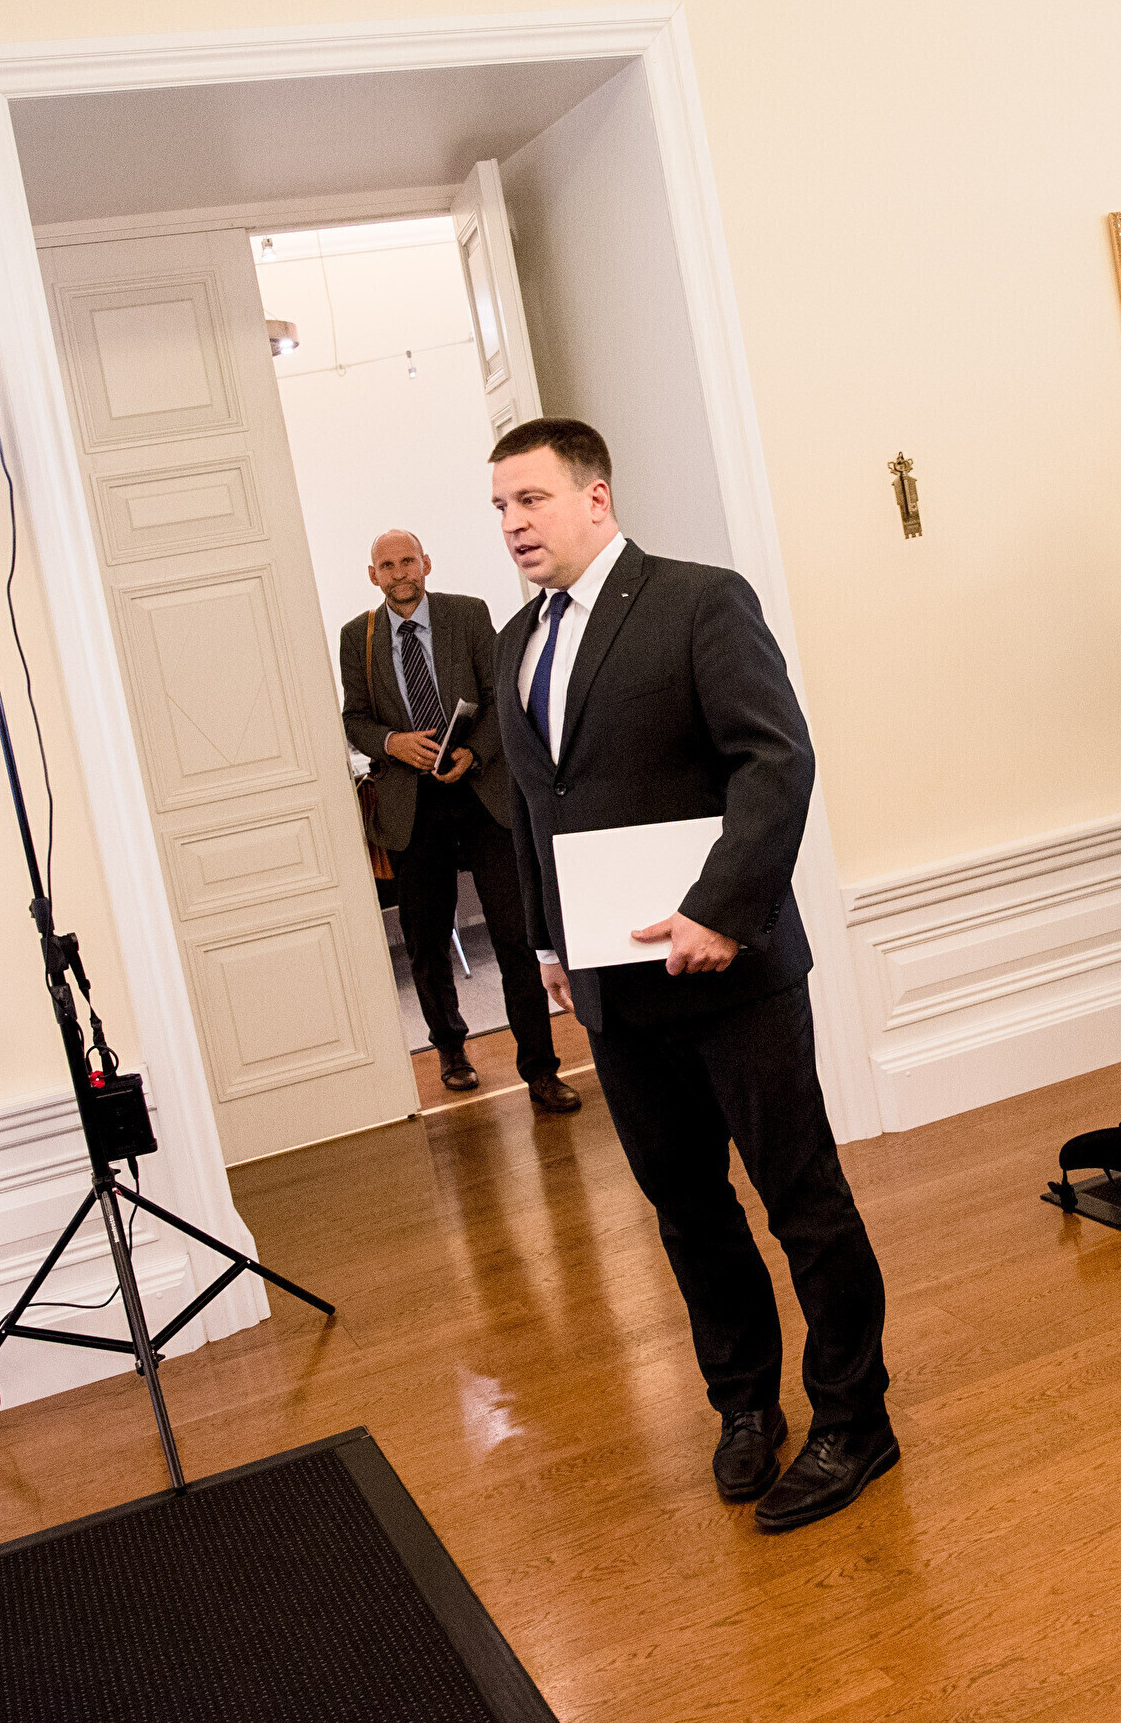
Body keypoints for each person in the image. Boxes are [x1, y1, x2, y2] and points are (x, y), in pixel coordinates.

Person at [486, 417, 894, 1532]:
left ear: (596, 497)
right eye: (502, 507)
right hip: (615, 991)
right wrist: (550, 946)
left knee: (801, 1198)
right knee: (686, 1208)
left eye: (531, 498)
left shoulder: (700, 601)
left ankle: (856, 1417)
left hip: (732, 972)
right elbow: (531, 807)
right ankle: (744, 1405)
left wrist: (720, 908)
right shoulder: (515, 643)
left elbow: (775, 758)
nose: (514, 523)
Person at [338, 529, 579, 1114]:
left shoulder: (467, 615)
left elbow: (501, 696)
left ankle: (540, 1068)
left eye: (408, 561)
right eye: (387, 565)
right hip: (411, 806)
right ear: (373, 575)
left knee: (517, 935)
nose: (399, 573)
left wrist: (476, 751)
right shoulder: (356, 637)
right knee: (425, 941)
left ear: (426, 563)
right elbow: (355, 718)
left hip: (481, 795)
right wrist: (392, 743)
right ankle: (450, 1049)